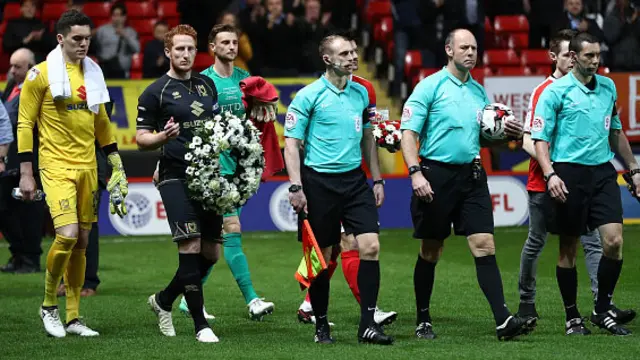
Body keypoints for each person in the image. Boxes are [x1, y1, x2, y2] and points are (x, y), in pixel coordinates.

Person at [400, 28, 535, 341]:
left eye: (474, 48)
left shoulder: (479, 92)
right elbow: (409, 133)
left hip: (472, 176)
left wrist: (507, 132)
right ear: (449, 50)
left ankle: (503, 320)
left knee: (484, 244)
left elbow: (486, 139)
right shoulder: (429, 87)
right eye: (464, 47)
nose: (471, 53)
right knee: (431, 250)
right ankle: (423, 319)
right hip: (434, 176)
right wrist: (415, 173)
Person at [17, 10, 128, 338]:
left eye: (88, 39)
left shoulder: (94, 73)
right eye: (77, 38)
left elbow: (102, 122)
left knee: (81, 241)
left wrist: (116, 163)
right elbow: (25, 123)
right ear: (61, 39)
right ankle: (49, 304)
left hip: (88, 166)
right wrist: (26, 172)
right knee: (66, 234)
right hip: (54, 165)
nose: (83, 44)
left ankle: (74, 316)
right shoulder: (40, 75)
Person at [517, 29, 636, 333]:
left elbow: (616, 131)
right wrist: (551, 173)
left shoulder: (609, 87)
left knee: (613, 241)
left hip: (602, 172)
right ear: (573, 57)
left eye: (598, 55)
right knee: (567, 248)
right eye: (589, 56)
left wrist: (633, 168)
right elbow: (539, 139)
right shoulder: (553, 92)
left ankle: (601, 308)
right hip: (568, 173)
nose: (596, 61)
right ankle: (572, 316)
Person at [284, 33, 393, 345]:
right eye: (345, 53)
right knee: (324, 255)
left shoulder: (361, 93)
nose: (353, 57)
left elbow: (369, 138)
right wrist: (296, 186)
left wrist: (377, 179)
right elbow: (291, 144)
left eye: (354, 51)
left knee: (370, 247)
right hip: (319, 184)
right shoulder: (308, 96)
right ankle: (321, 325)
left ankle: (368, 324)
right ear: (327, 59)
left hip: (355, 182)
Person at [170, 23, 275, 320]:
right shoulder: (202, 82)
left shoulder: (248, 80)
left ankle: (184, 301)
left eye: (235, 41)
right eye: (225, 42)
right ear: (212, 48)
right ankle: (252, 299)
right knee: (231, 231)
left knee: (213, 243)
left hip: (239, 168)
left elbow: (262, 119)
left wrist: (266, 109)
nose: (232, 46)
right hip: (212, 168)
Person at [137, 24, 222, 343]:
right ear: (168, 52)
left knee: (211, 253)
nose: (185, 54)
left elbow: (215, 127)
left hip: (209, 176)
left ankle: (163, 300)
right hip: (174, 175)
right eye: (179, 49)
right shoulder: (154, 92)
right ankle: (201, 325)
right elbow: (141, 138)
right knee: (190, 244)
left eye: (190, 49)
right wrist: (161, 136)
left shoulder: (206, 86)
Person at [0, 48, 44, 274]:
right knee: (6, 208)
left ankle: (30, 258)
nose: (12, 71)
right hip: (11, 157)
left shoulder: (36, 87)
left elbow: (22, 120)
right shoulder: (11, 87)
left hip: (31, 156)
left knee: (30, 210)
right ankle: (19, 252)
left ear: (30, 68)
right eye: (11, 66)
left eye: (18, 66)